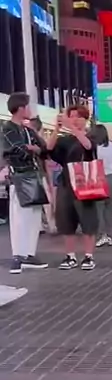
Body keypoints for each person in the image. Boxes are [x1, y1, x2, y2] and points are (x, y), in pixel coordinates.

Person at [2, 92, 49, 275]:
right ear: (20, 108)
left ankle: (29, 254)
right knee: (20, 218)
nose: (29, 110)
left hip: (32, 175)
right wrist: (32, 149)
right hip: (20, 177)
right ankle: (18, 256)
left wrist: (33, 147)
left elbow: (43, 149)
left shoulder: (27, 130)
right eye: (27, 106)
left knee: (34, 216)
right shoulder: (8, 128)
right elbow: (16, 151)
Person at [47, 105, 98, 271]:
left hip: (85, 183)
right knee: (66, 220)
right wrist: (57, 128)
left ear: (86, 119)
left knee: (88, 220)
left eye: (78, 116)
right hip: (66, 183)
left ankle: (89, 256)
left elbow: (88, 147)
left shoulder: (91, 135)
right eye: (72, 116)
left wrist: (73, 128)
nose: (74, 119)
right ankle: (70, 255)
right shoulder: (65, 140)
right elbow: (49, 149)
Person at [91, 124, 112, 247]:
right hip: (111, 177)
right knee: (109, 207)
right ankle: (109, 234)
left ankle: (102, 235)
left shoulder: (95, 148)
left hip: (99, 177)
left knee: (99, 208)